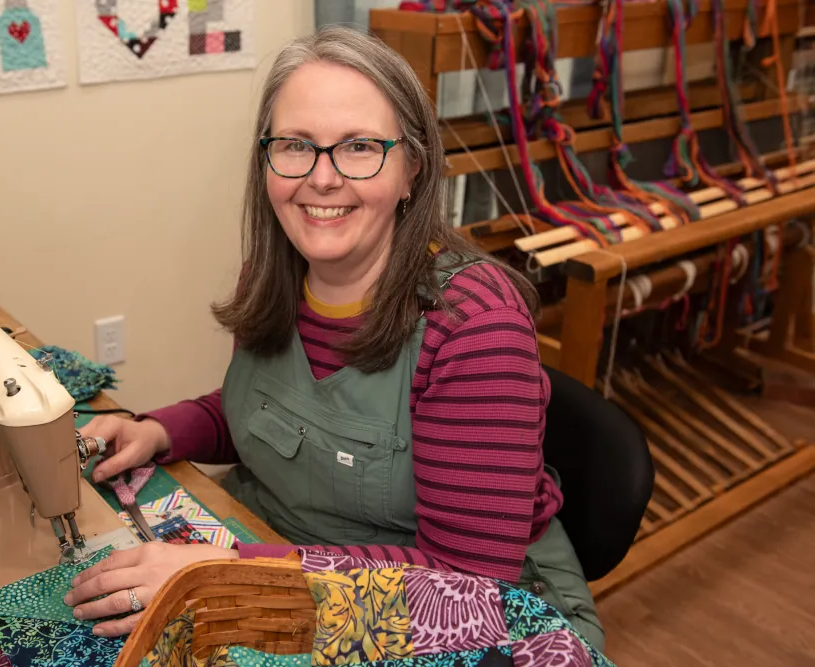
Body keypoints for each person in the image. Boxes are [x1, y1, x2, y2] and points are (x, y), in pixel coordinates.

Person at [64, 25, 604, 650]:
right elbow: (275, 415)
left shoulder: (473, 324)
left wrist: (229, 576)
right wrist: (158, 430)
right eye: (296, 145)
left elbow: (468, 586)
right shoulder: (274, 274)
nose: (321, 178)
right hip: (294, 556)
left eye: (358, 148)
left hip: (469, 611)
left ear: (411, 172)